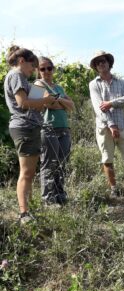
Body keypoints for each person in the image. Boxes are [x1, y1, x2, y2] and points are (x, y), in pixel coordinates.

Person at [4, 46, 56, 224]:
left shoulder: (19, 77)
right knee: (26, 173)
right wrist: (46, 100)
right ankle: (24, 213)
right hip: (24, 127)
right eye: (32, 66)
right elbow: (23, 103)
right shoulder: (17, 75)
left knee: (30, 171)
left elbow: (31, 104)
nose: (33, 70)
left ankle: (29, 208)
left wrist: (41, 100)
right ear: (21, 61)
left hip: (29, 126)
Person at [89, 51, 124, 197]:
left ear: (109, 63)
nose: (101, 63)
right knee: (107, 159)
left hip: (122, 125)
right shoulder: (94, 84)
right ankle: (114, 190)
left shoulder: (121, 82)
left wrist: (111, 103)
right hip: (104, 127)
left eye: (103, 61)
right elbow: (98, 107)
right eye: (98, 62)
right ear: (95, 66)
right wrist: (111, 124)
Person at [35, 57, 75, 206]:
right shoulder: (38, 84)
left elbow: (71, 106)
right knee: (49, 164)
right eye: (42, 69)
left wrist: (59, 100)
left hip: (64, 128)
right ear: (38, 71)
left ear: (53, 69)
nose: (46, 71)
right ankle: (48, 199)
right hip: (48, 128)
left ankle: (60, 195)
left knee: (61, 164)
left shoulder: (58, 87)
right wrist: (60, 102)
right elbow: (50, 104)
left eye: (49, 68)